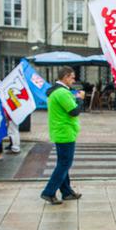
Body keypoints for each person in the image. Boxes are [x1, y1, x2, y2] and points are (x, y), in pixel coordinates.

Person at [40, 66, 84, 205]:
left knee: (63, 163)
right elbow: (74, 111)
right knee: (64, 164)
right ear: (65, 77)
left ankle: (66, 192)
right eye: (72, 77)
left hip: (61, 131)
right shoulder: (62, 93)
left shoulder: (57, 92)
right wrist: (80, 99)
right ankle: (49, 192)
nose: (74, 80)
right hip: (65, 132)